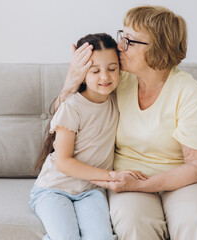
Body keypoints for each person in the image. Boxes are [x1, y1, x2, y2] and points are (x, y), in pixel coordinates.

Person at [56, 6, 197, 240]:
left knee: (196, 217)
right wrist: (72, 80)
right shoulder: (115, 79)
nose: (119, 46)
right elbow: (66, 117)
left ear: (158, 49)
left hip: (185, 180)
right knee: (133, 223)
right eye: (121, 36)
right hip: (127, 176)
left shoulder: (190, 94)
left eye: (130, 41)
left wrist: (141, 185)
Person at [29, 33, 148, 240]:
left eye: (112, 69)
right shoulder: (72, 107)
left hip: (91, 191)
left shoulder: (117, 99)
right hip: (54, 189)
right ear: (82, 73)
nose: (105, 77)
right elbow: (64, 162)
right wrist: (111, 176)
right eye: (95, 71)